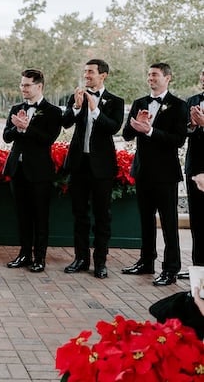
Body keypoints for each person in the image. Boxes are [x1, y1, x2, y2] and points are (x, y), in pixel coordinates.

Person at [121, 63, 188, 286]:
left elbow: (178, 140)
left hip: (166, 174)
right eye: (149, 74)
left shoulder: (179, 105)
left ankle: (171, 269)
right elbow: (127, 134)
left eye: (155, 75)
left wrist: (149, 130)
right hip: (143, 171)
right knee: (145, 220)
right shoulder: (140, 103)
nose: (151, 78)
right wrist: (138, 124)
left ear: (167, 78)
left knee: (169, 224)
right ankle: (146, 261)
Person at [62, 59, 124, 279]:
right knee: (79, 215)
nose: (86, 75)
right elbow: (66, 123)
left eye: (91, 72)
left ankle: (100, 262)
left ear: (103, 75)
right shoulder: (75, 96)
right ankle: (80, 259)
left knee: (102, 216)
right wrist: (77, 107)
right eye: (85, 71)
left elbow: (114, 127)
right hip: (79, 164)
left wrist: (95, 110)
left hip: (102, 167)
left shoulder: (115, 101)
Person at [3, 69, 62, 273]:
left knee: (40, 216)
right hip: (18, 170)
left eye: (27, 85)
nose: (23, 89)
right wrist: (17, 128)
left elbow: (48, 139)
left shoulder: (53, 111)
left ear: (39, 86)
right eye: (21, 85)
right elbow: (6, 137)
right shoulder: (16, 108)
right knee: (22, 215)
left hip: (39, 173)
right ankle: (24, 254)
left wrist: (27, 128)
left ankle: (40, 258)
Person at [181, 65, 204, 279]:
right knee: (196, 219)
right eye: (203, 74)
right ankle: (198, 268)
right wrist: (193, 125)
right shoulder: (192, 100)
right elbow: (184, 130)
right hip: (195, 167)